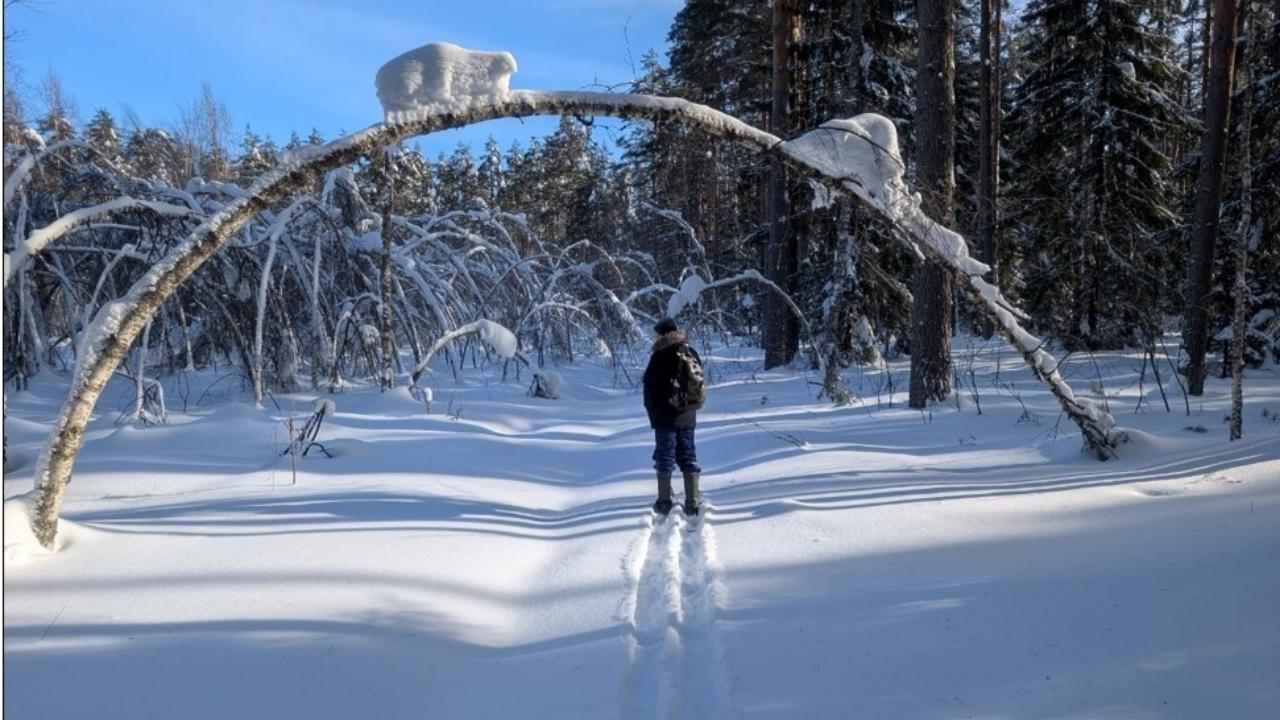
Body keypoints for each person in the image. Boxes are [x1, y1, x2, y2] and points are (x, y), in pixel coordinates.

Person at [642, 317, 705, 516]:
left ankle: (663, 502)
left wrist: (653, 413)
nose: (654, 337)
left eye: (656, 333)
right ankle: (692, 501)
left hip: (665, 417)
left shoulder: (659, 356)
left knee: (665, 456)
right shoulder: (689, 352)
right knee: (688, 454)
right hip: (688, 414)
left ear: (662, 334)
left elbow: (649, 388)